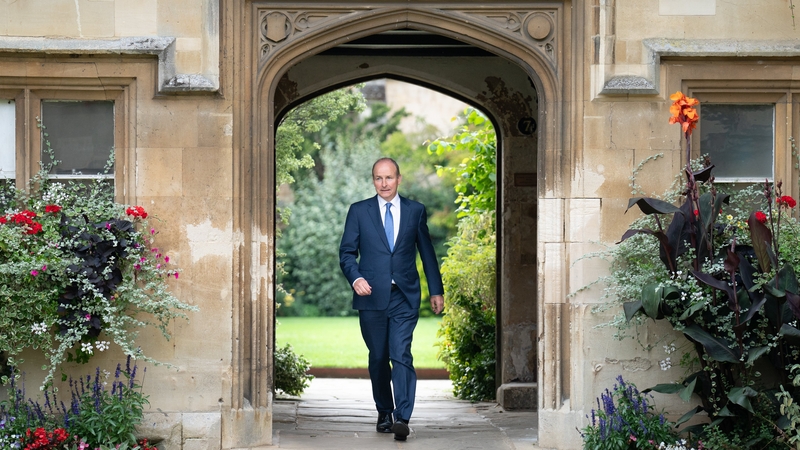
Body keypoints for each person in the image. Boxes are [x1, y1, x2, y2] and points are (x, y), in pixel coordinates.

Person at [339, 157, 445, 441]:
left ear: (399, 179)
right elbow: (347, 253)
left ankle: (403, 417)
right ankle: (384, 410)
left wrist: (436, 290)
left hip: (404, 296)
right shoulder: (359, 211)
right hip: (371, 296)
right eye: (378, 178)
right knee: (378, 358)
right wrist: (356, 278)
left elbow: (427, 252)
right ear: (373, 180)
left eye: (388, 178)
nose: (383, 183)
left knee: (401, 354)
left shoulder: (415, 211)